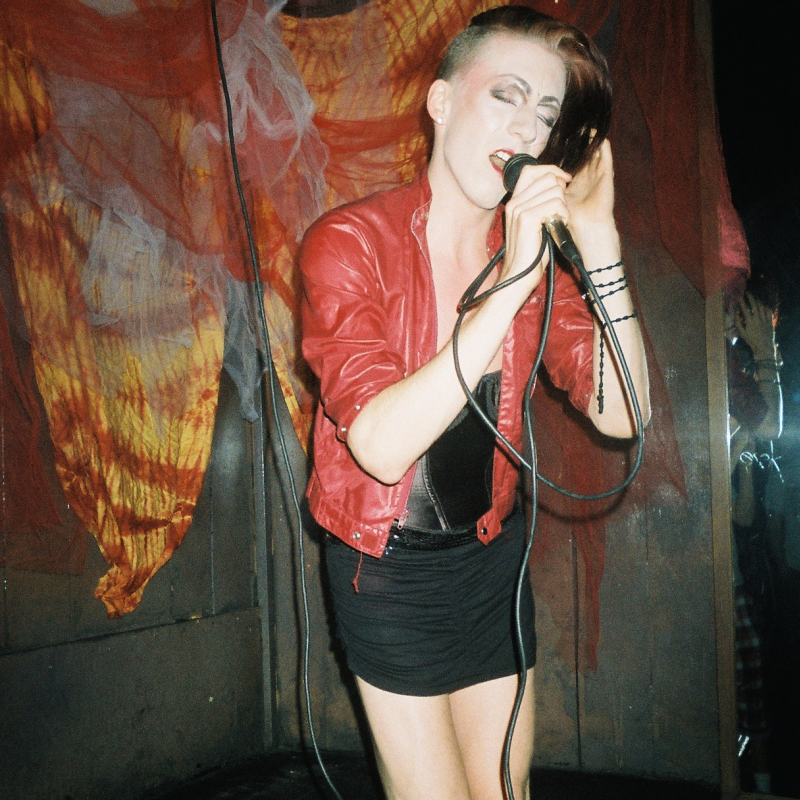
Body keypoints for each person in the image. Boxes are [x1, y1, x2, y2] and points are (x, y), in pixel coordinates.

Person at [300, 7, 650, 800]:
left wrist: (598, 236)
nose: (527, 127)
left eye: (547, 112)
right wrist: (515, 278)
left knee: (506, 789)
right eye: (506, 95)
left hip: (490, 556)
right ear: (442, 101)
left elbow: (624, 413)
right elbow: (381, 446)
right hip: (384, 568)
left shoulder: (529, 258)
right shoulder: (349, 244)